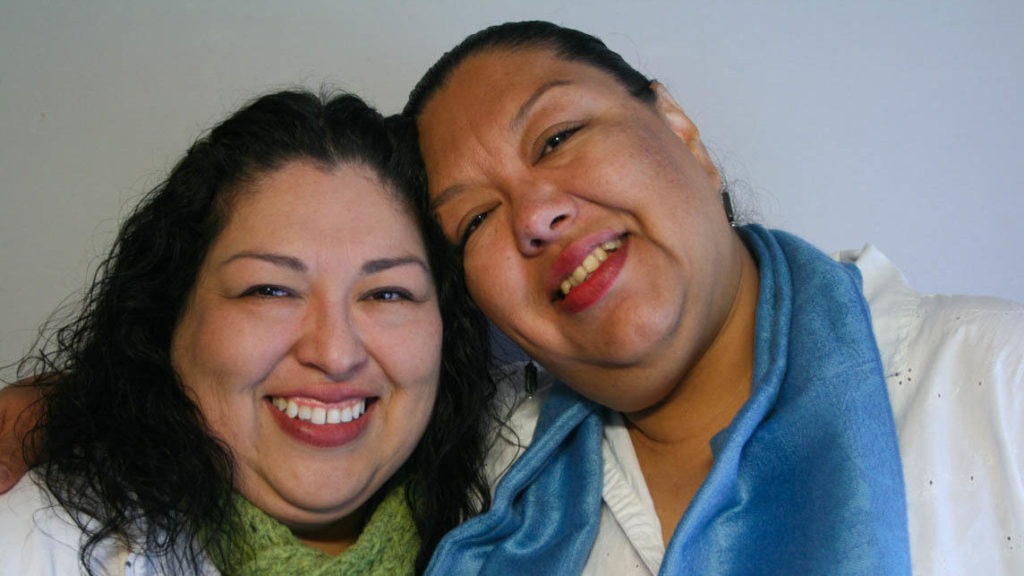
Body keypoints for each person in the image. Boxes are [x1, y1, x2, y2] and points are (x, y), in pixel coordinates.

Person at [400, 21, 1024, 575]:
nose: (535, 216)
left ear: (680, 130)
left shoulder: (996, 382)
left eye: (558, 138)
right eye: (477, 219)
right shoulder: (481, 492)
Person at [0, 89, 495, 575]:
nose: (336, 352)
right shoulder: (27, 544)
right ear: (169, 317)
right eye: (270, 291)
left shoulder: (542, 504)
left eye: (388, 294)